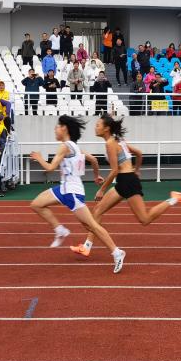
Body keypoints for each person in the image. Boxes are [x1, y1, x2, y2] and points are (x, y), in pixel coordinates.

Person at [70, 114, 181, 257]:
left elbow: (114, 170)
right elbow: (139, 154)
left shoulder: (110, 143)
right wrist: (137, 171)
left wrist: (102, 190)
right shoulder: (118, 140)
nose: (95, 127)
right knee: (97, 210)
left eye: (98, 125)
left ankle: (174, 198)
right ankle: (87, 247)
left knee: (145, 219)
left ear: (106, 128)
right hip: (125, 180)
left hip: (128, 182)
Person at [29, 115, 126, 273]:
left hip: (72, 192)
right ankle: (60, 230)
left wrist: (39, 158)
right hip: (64, 189)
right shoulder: (75, 146)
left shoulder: (65, 147)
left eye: (57, 126)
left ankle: (117, 252)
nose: (55, 129)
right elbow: (93, 160)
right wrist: (96, 176)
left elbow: (50, 168)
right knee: (36, 204)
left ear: (64, 128)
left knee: (92, 226)